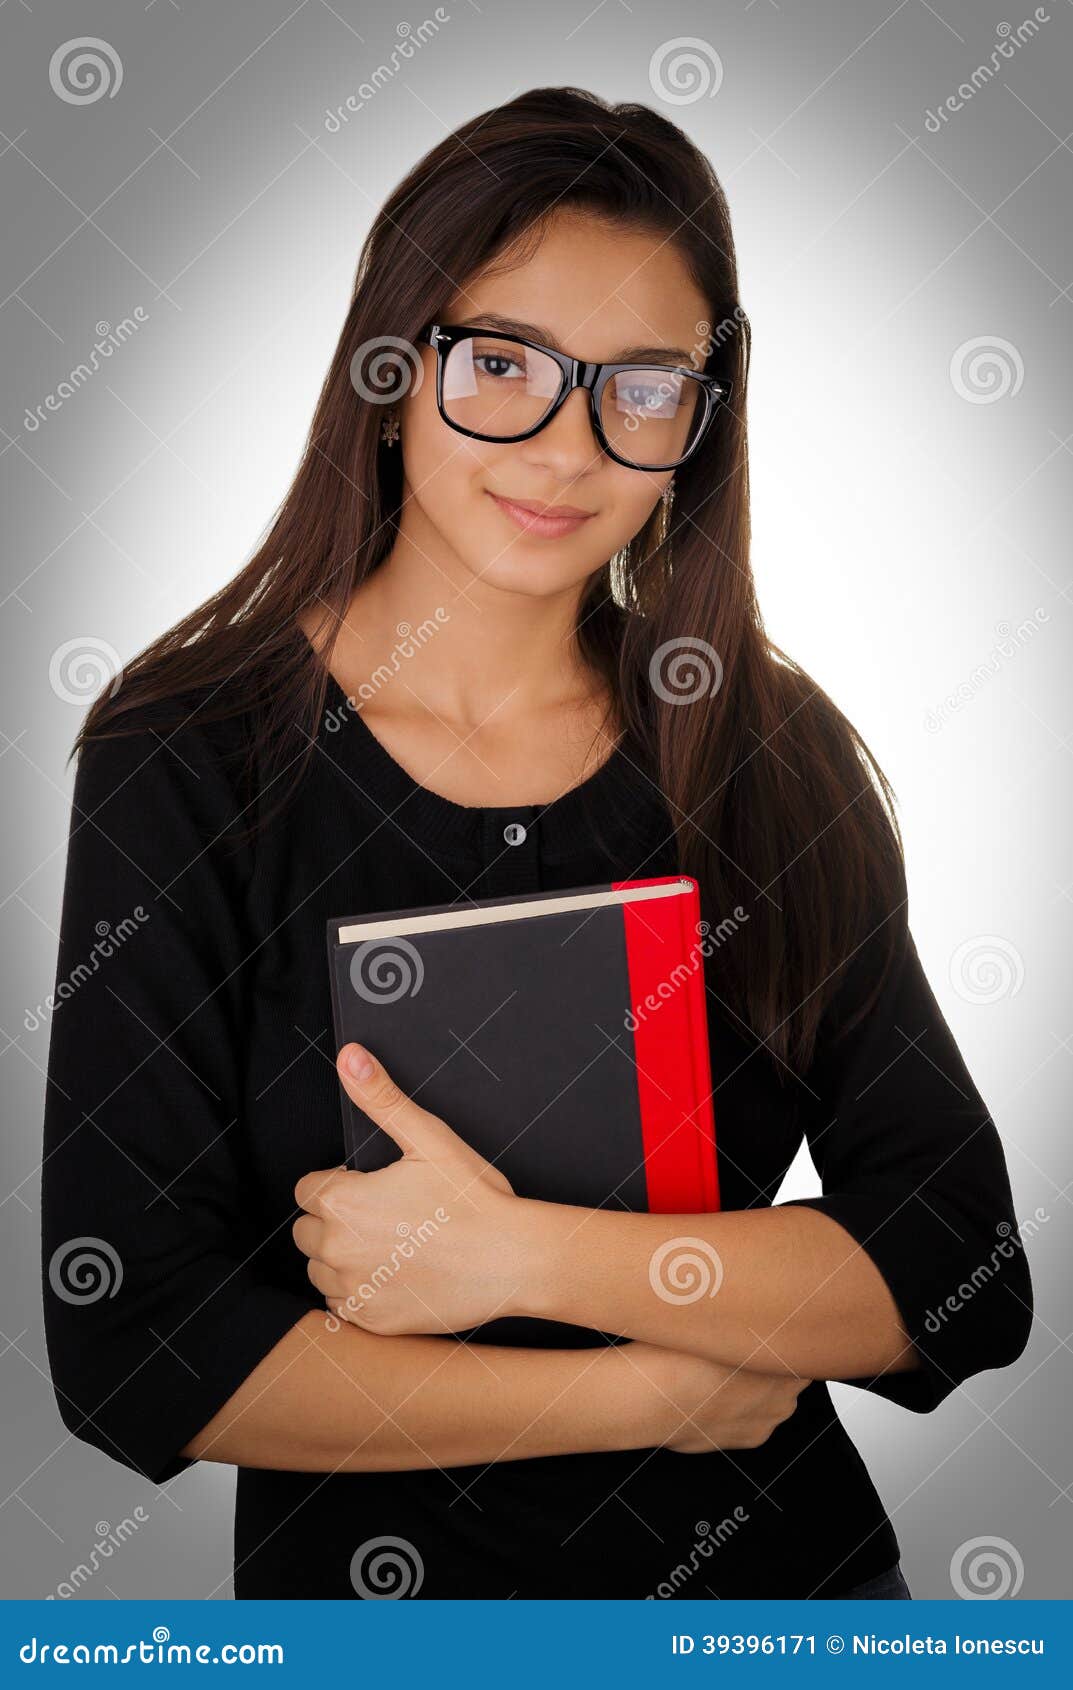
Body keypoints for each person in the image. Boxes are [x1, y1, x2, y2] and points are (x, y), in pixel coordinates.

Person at [41, 86, 1031, 1601]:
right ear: (390, 368)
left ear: (696, 422)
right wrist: (645, 1391)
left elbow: (958, 1265)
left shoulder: (761, 748)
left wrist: (521, 1259)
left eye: (639, 385)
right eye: (499, 362)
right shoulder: (186, 752)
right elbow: (133, 1349)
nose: (567, 446)